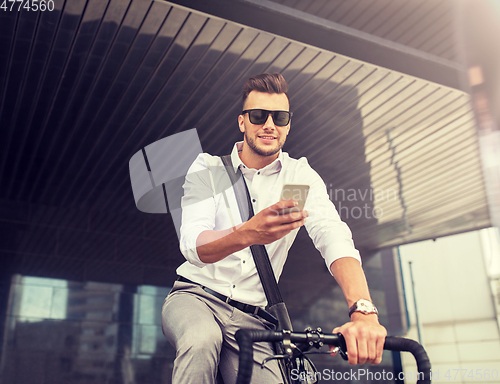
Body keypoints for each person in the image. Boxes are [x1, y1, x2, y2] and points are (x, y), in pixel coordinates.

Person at [161, 73, 387, 384]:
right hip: (195, 297)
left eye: (279, 117)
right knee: (201, 340)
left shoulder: (298, 178)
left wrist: (363, 311)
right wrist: (247, 233)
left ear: (288, 125)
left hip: (253, 319)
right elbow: (193, 246)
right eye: (258, 115)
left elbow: (333, 236)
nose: (269, 124)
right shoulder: (209, 169)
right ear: (242, 122)